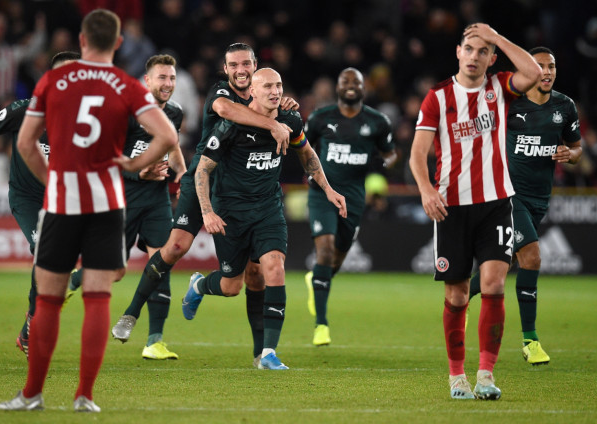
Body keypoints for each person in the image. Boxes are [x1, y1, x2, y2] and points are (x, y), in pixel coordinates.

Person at [0, 9, 178, 412]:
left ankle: (31, 395)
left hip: (63, 201)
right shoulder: (127, 85)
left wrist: (52, 179)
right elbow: (167, 135)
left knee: (48, 300)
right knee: (98, 298)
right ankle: (85, 396)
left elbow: (26, 143)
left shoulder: (53, 81)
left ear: (81, 41)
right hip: (107, 202)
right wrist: (133, 164)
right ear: (118, 43)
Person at [109, 42, 295, 368]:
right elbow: (226, 110)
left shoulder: (264, 95)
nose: (240, 70)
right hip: (202, 183)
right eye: (234, 65)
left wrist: (281, 109)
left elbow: (289, 125)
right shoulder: (220, 93)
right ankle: (131, 313)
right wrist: (273, 123)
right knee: (175, 246)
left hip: (235, 194)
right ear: (226, 69)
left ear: (255, 67)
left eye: (246, 64)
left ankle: (261, 354)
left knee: (252, 276)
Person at [409, 23, 542, 400]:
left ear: (492, 58)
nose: (474, 56)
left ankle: (485, 375)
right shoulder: (437, 97)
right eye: (469, 48)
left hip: (496, 204)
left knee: (494, 284)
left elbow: (532, 73)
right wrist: (426, 189)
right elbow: (417, 153)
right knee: (457, 295)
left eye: (483, 51)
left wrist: (496, 36)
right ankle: (457, 377)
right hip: (451, 208)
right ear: (458, 52)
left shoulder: (500, 87)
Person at [188, 68, 347, 370]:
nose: (275, 92)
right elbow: (203, 170)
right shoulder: (230, 126)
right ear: (253, 91)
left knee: (273, 268)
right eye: (268, 87)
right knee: (232, 286)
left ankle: (268, 353)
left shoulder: (291, 120)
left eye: (279, 86)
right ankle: (199, 286)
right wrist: (207, 211)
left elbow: (307, 153)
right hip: (231, 213)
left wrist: (328, 189)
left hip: (268, 209)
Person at [0, 51, 82, 360]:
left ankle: (29, 327)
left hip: (61, 199)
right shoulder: (26, 110)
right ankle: (36, 321)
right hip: (26, 197)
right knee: (46, 250)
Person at [468, 46, 582, 365]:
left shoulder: (565, 107)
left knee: (502, 266)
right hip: (507, 195)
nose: (547, 72)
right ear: (528, 70)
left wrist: (570, 154)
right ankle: (530, 341)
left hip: (539, 199)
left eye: (552, 66)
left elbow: (577, 149)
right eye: (540, 66)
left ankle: (461, 295)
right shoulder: (510, 103)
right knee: (531, 257)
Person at [303, 67, 397, 346]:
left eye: (356, 81)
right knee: (325, 249)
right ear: (338, 87)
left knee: (336, 259)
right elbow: (303, 147)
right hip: (322, 193)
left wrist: (380, 164)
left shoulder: (377, 122)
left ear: (364, 88)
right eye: (345, 81)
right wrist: (311, 173)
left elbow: (391, 154)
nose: (351, 85)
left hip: (354, 197)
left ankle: (316, 280)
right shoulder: (320, 118)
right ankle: (321, 325)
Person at [108, 54, 186, 360]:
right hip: (124, 197)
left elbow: (173, 145)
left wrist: (182, 172)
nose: (168, 84)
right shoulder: (126, 114)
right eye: (162, 78)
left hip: (156, 199)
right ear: (147, 81)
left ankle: (154, 341)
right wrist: (139, 172)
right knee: (114, 271)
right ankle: (74, 281)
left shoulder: (175, 112)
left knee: (163, 262)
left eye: (172, 78)